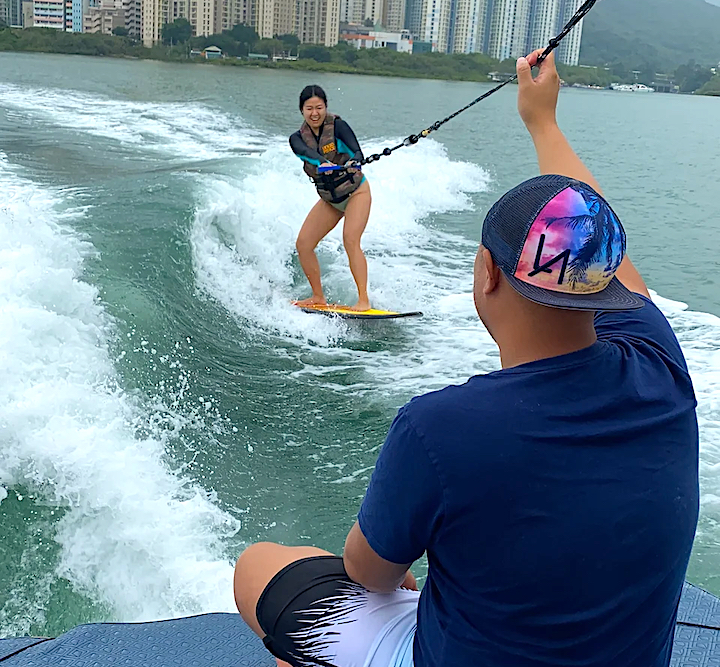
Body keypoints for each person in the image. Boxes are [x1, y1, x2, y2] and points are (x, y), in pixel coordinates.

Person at [234, 50, 699, 667]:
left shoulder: (438, 427)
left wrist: (539, 117)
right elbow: (592, 231)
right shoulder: (661, 366)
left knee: (258, 567)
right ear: (604, 282)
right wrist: (545, 123)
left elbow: (369, 572)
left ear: (486, 274)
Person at [290, 85, 372, 312]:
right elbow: (307, 154)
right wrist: (322, 163)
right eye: (309, 108)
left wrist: (355, 160)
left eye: (319, 107)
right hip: (331, 201)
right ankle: (318, 296)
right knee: (304, 244)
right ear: (302, 111)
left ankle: (363, 301)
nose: (314, 113)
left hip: (357, 193)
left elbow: (357, 152)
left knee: (350, 239)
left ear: (326, 107)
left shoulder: (338, 127)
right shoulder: (297, 139)